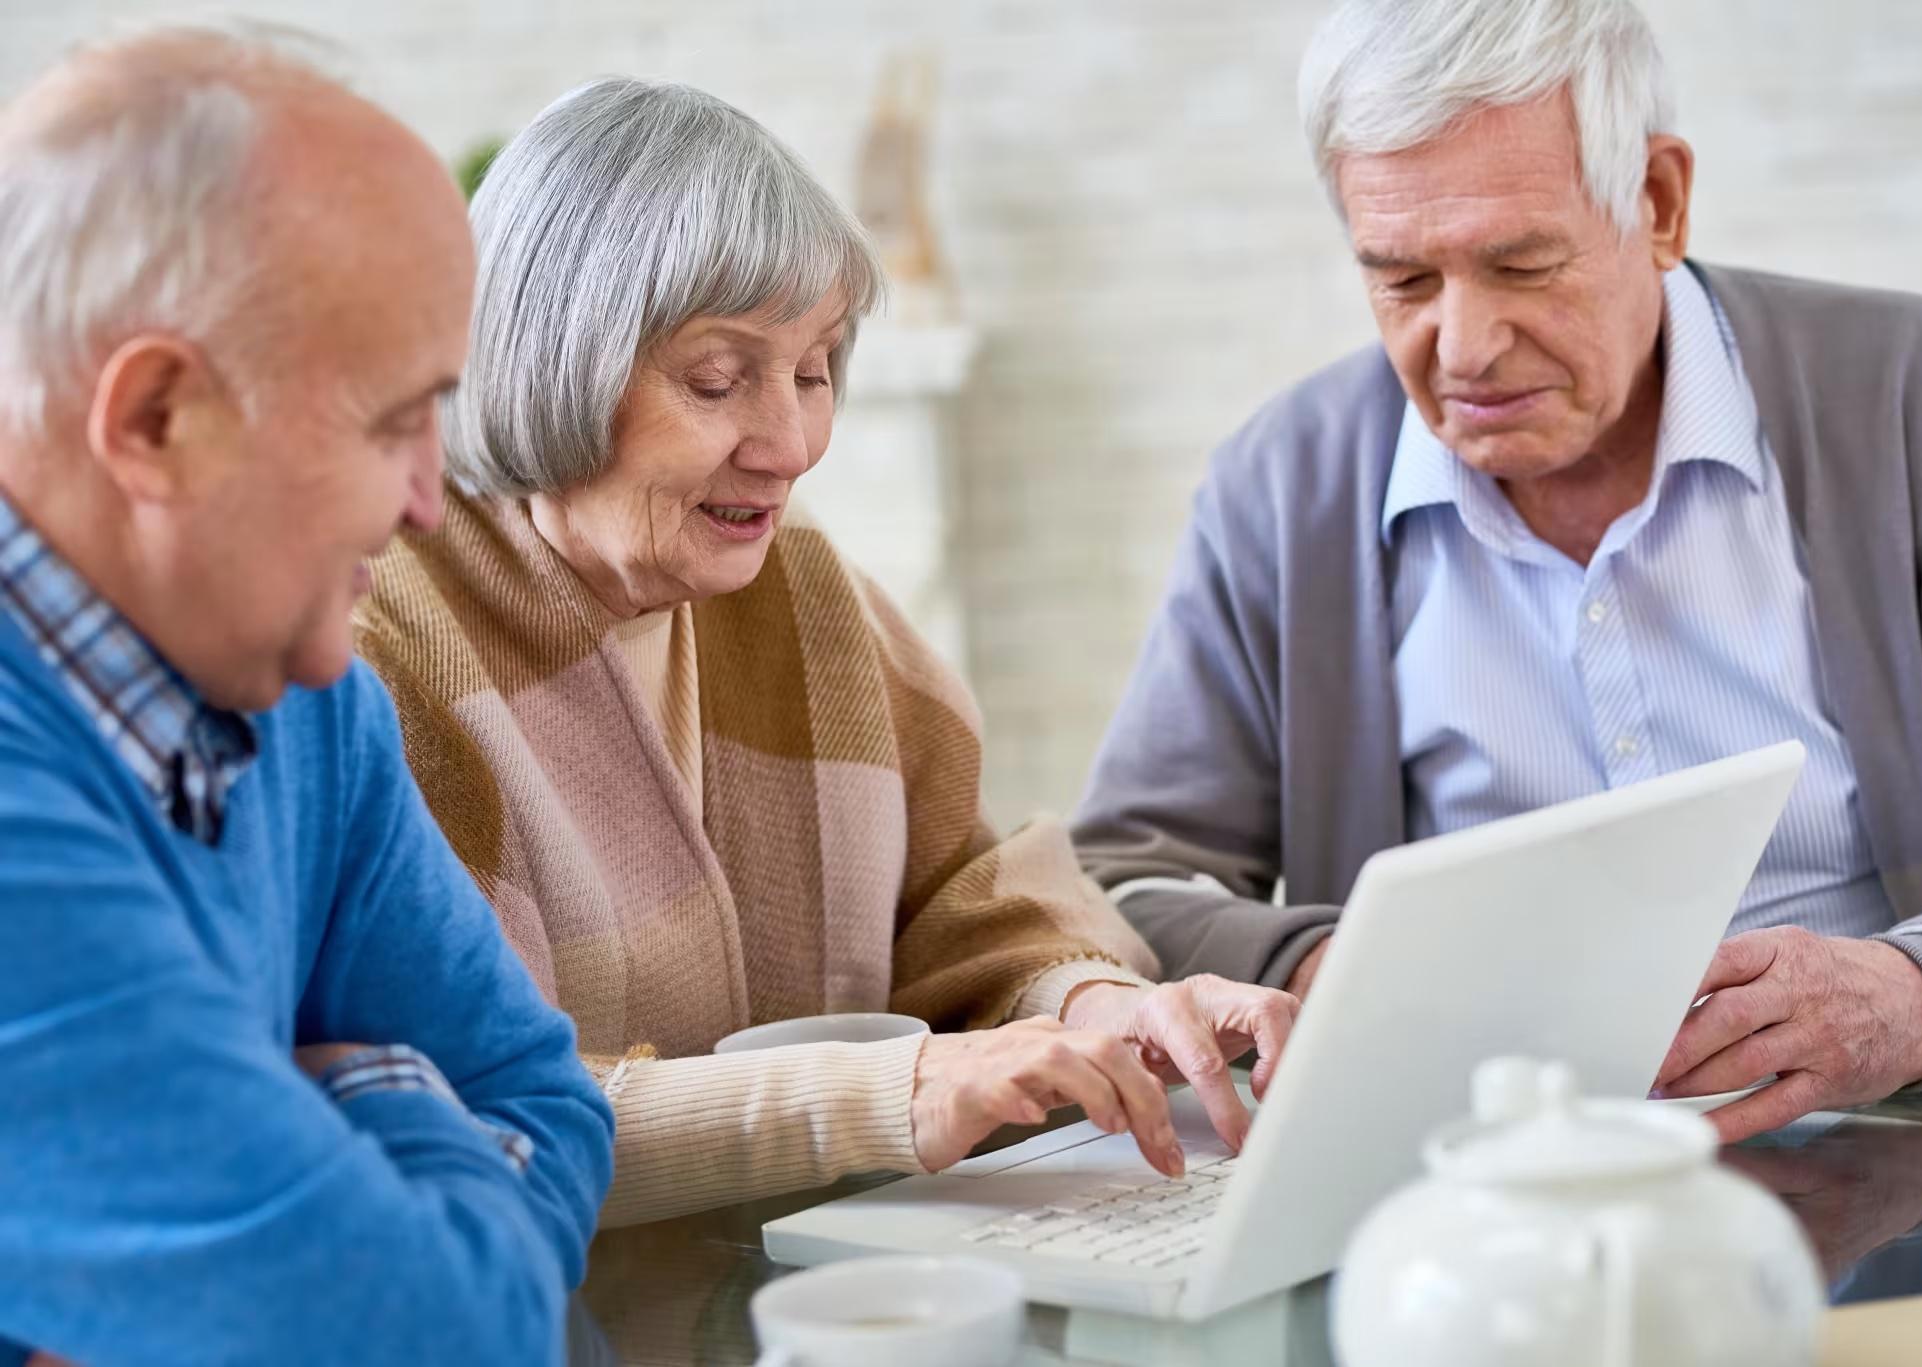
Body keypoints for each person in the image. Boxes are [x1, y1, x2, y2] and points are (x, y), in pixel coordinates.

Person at [1072, 0, 1922, 1143]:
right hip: (1473, 1181)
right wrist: (1333, 961)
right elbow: (1123, 887)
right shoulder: (1281, 485)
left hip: (1889, 1140)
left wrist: (1912, 993)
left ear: (1658, 203)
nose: (1465, 346)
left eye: (1520, 264)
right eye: (1401, 281)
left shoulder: (1913, 398)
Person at [353, 76, 1298, 1228]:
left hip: (845, 1279)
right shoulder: (377, 651)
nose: (793, 444)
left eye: (813, 370)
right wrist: (884, 1093)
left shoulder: (797, 587)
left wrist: (1092, 1002)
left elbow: (962, 898)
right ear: (552, 356)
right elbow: (477, 1117)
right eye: (717, 378)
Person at [0, 28, 612, 1366]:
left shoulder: (298, 692)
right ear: (156, 416)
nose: (427, 500)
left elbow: (547, 1101)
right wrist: (395, 1101)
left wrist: (346, 1148)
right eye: (397, 421)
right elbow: (431, 1334)